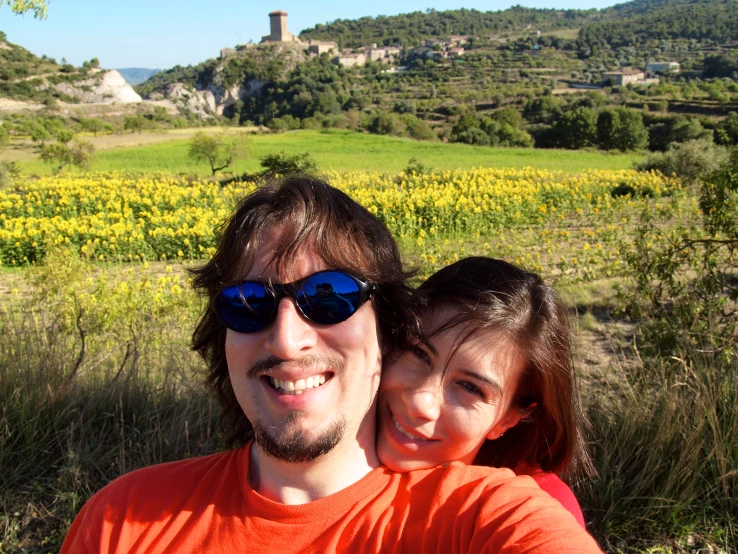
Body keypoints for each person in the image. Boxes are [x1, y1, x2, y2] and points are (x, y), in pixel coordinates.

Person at [60, 177, 602, 553]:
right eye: (248, 302)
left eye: (329, 296)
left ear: (385, 329)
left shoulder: (482, 517)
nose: (287, 338)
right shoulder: (119, 519)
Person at [376, 257, 592, 527]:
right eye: (419, 353)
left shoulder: (533, 508)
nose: (421, 402)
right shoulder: (328, 438)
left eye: (470, 387)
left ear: (510, 417)